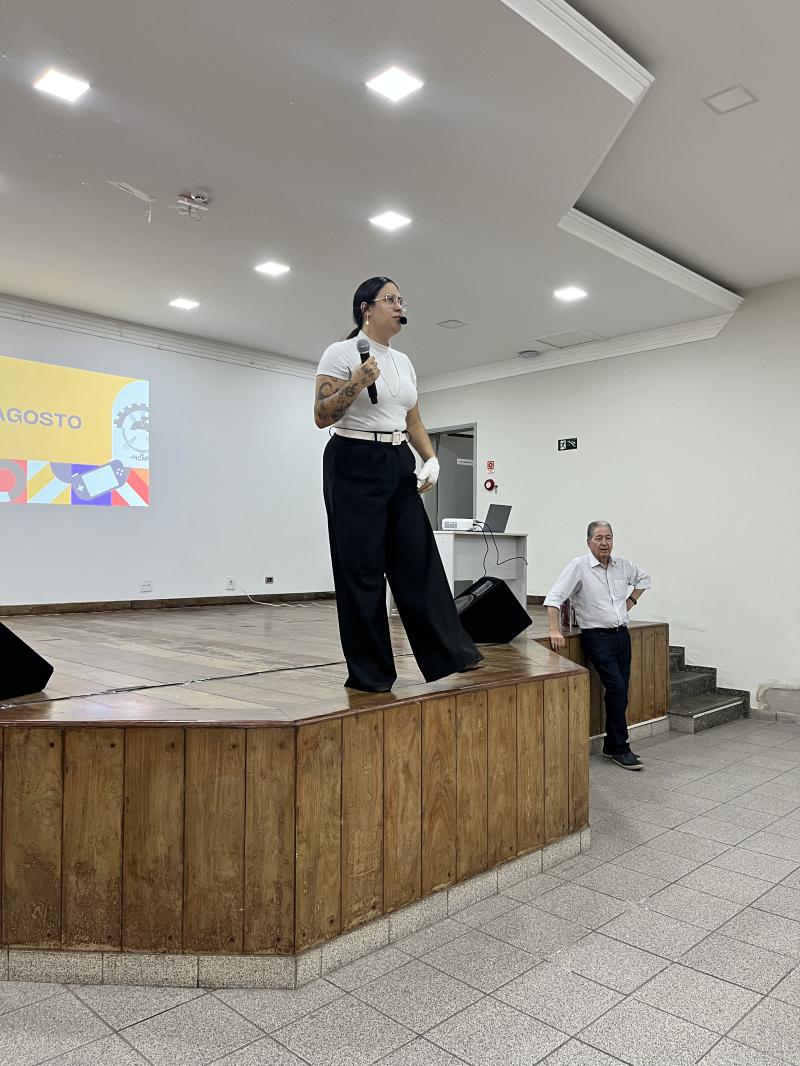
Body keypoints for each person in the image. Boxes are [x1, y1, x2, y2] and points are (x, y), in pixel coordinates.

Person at [314, 276, 482, 692]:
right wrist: (357, 381)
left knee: (417, 557)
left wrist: (432, 459)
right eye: (389, 299)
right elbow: (321, 415)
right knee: (361, 568)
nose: (398, 305)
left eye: (401, 299)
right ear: (365, 308)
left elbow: (413, 420)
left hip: (396, 458)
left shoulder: (403, 362)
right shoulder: (340, 353)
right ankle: (370, 674)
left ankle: (452, 653)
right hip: (352, 459)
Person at [544, 521, 651, 770]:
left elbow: (645, 579)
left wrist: (630, 602)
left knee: (620, 691)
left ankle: (611, 745)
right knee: (616, 687)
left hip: (622, 636)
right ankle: (620, 747)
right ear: (589, 542)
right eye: (599, 538)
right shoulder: (578, 566)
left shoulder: (622, 565)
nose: (604, 543)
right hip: (597, 638)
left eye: (608, 538)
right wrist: (554, 630)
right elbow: (554, 598)